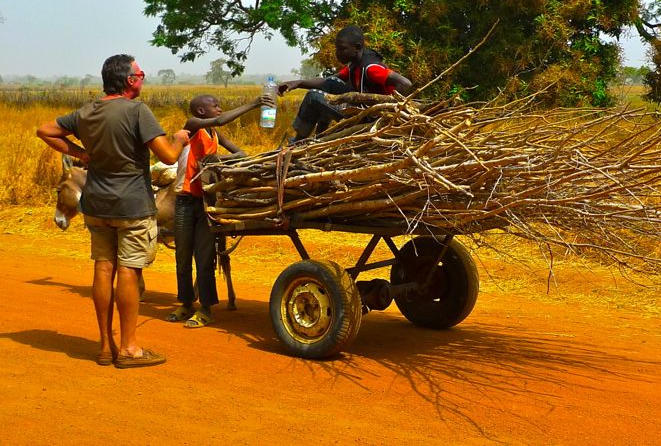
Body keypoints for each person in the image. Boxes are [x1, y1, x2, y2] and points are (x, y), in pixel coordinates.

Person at [37, 54, 190, 368]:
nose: (143, 77)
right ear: (130, 80)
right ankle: (130, 348)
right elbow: (169, 157)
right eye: (140, 73)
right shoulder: (137, 112)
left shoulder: (87, 111)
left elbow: (45, 130)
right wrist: (178, 138)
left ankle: (106, 347)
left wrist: (81, 153)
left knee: (103, 270)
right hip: (132, 206)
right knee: (128, 273)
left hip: (96, 205)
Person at [165, 93, 274, 328]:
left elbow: (241, 153)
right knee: (182, 256)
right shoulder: (193, 125)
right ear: (201, 112)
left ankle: (205, 309)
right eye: (215, 105)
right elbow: (220, 120)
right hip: (184, 201)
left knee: (204, 257)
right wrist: (254, 103)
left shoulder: (215, 134)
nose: (220, 107)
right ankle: (185, 304)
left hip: (207, 201)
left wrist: (214, 159)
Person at [279, 25, 412, 142]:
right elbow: (327, 81)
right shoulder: (354, 66)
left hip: (367, 117)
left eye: (342, 49)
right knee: (331, 83)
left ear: (357, 48)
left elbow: (405, 83)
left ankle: (297, 142)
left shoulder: (371, 69)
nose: (337, 53)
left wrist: (390, 113)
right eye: (337, 49)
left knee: (313, 96)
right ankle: (320, 136)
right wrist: (298, 82)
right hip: (360, 110)